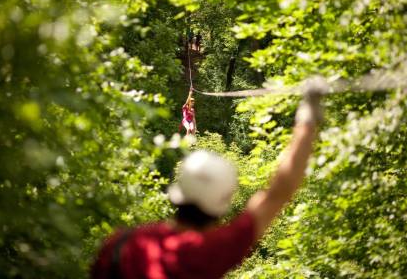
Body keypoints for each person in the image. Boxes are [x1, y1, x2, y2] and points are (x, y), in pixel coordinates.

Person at [91, 78, 327, 279]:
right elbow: (278, 193)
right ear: (222, 205)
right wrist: (307, 120)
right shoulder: (209, 252)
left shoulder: (120, 244)